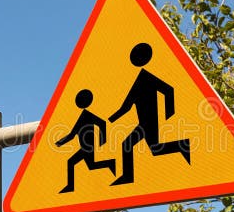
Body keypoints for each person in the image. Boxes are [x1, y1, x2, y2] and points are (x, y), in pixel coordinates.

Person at [109, 42, 190, 185]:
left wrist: (169, 113)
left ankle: (127, 176)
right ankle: (182, 145)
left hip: (150, 122)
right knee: (155, 149)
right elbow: (126, 106)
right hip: (144, 123)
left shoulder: (147, 78)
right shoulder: (138, 81)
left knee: (127, 144)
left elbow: (168, 90)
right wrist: (110, 120)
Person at [55, 89, 116, 193]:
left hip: (87, 147)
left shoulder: (87, 115)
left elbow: (102, 123)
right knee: (92, 165)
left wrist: (103, 140)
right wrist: (59, 143)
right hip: (85, 146)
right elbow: (72, 135)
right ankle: (110, 163)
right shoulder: (82, 116)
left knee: (71, 162)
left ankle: (70, 186)